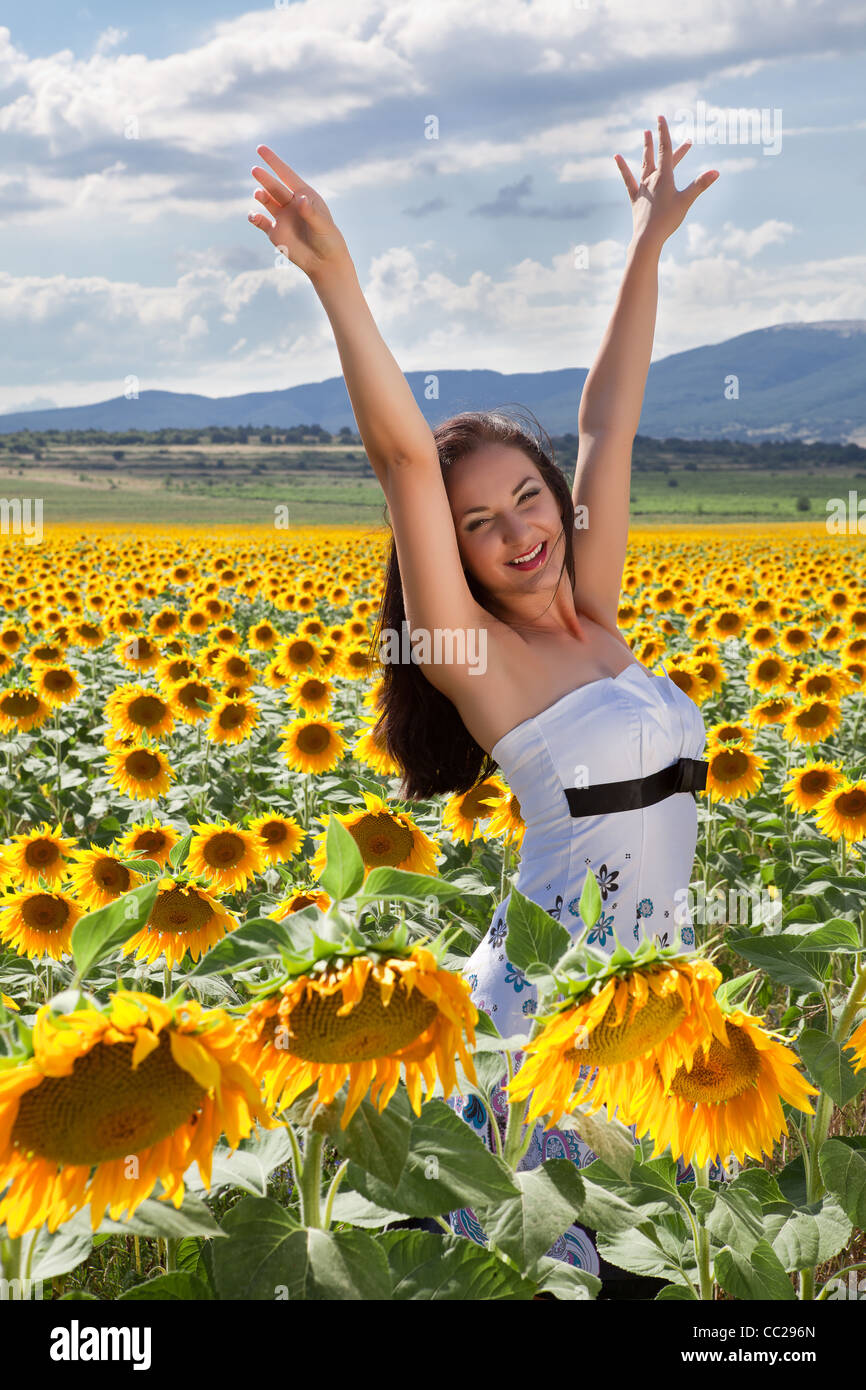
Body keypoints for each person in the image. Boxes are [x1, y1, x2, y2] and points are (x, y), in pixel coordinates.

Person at [248, 117, 720, 1290]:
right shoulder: (479, 662)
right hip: (542, 1039)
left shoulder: (597, 616)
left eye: (525, 500)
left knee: (661, 1268)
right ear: (448, 558)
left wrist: (645, 243)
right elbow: (404, 459)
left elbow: (605, 423)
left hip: (650, 1023)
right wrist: (337, 279)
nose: (515, 531)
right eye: (476, 523)